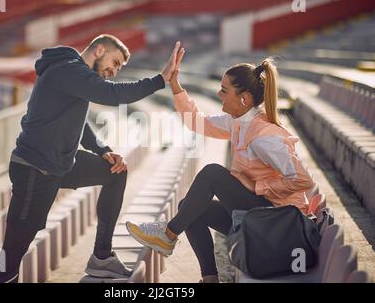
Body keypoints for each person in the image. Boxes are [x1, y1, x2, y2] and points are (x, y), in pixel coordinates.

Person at [0, 35, 181, 283]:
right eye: (114, 62)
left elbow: (78, 122)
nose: (113, 71)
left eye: (118, 68)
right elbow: (113, 94)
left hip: (60, 164)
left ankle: (101, 258)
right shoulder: (68, 70)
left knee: (115, 171)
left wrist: (102, 150)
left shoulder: (74, 75)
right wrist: (160, 80)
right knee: (14, 249)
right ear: (99, 49)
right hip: (34, 168)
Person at [126, 44, 317, 283]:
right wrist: (175, 86)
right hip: (263, 220)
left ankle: (168, 234)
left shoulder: (266, 137)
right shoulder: (237, 121)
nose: (218, 95)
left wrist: (257, 187)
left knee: (212, 174)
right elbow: (197, 122)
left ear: (244, 98)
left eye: (224, 90)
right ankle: (209, 279)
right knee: (191, 207)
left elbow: (302, 180)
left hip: (282, 228)